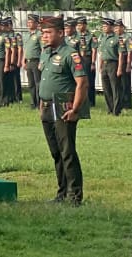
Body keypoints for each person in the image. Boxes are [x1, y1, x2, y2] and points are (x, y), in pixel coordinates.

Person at [38, 15, 89, 205]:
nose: (44, 36)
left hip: (62, 107)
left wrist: (75, 109)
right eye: (43, 32)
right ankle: (62, 192)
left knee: (67, 151)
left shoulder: (70, 54)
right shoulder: (46, 53)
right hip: (46, 106)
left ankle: (74, 195)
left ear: (60, 33)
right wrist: (40, 103)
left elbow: (82, 83)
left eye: (48, 32)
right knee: (56, 152)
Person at [99, 17, 121, 116]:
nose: (104, 28)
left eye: (106, 26)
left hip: (113, 64)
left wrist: (120, 68)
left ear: (111, 27)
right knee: (106, 87)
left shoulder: (117, 38)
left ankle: (116, 110)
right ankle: (110, 108)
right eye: (103, 26)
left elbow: (121, 54)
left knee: (115, 87)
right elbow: (101, 53)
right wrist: (100, 65)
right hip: (104, 64)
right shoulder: (102, 38)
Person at [23, 14, 43, 109]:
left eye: (31, 22)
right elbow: (25, 49)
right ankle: (33, 102)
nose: (29, 24)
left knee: (38, 83)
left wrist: (41, 62)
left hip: (36, 61)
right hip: (28, 61)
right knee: (31, 84)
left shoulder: (39, 34)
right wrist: (24, 61)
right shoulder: (26, 35)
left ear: (36, 23)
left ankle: (39, 103)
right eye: (28, 22)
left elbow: (43, 49)